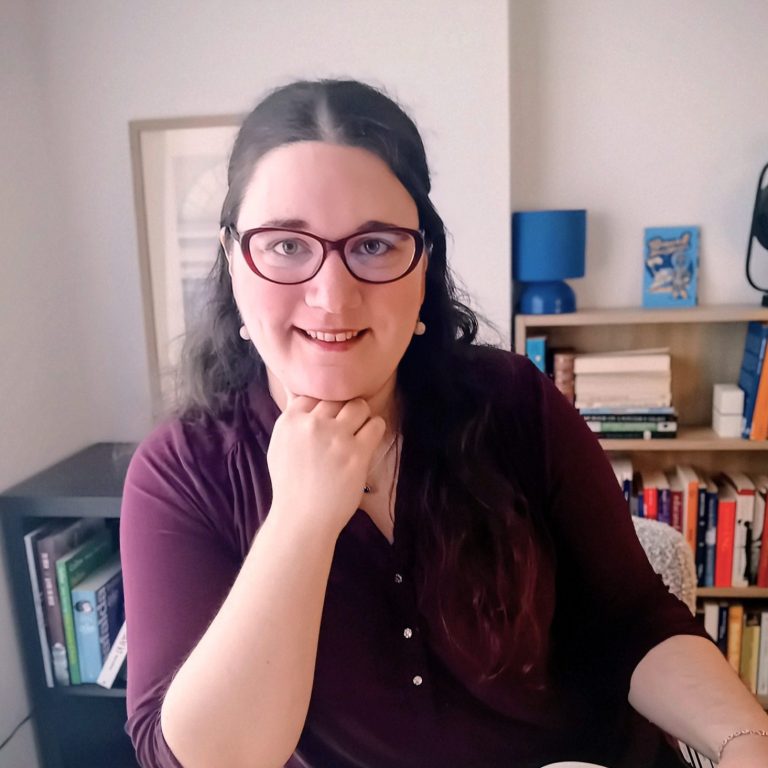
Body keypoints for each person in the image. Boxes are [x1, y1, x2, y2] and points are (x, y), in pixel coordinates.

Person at [120, 79, 768, 768]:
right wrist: (301, 521)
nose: (331, 295)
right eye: (284, 245)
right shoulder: (180, 472)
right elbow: (203, 759)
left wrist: (745, 739)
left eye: (373, 245)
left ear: (424, 261)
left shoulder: (514, 402)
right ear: (232, 258)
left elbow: (632, 620)